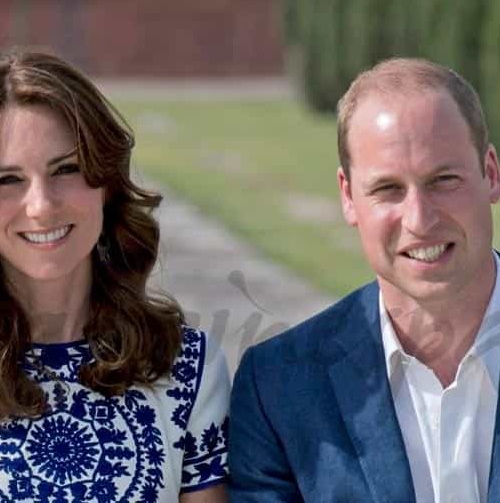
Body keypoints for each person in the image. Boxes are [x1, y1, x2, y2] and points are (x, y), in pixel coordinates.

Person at [228, 57, 500, 502]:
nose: (419, 219)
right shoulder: (278, 388)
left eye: (443, 179)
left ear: (490, 173)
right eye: (388, 189)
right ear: (348, 197)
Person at [0, 50, 230, 502]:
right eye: (8, 180)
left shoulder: (186, 369)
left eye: (66, 169)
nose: (42, 206)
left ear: (105, 183)